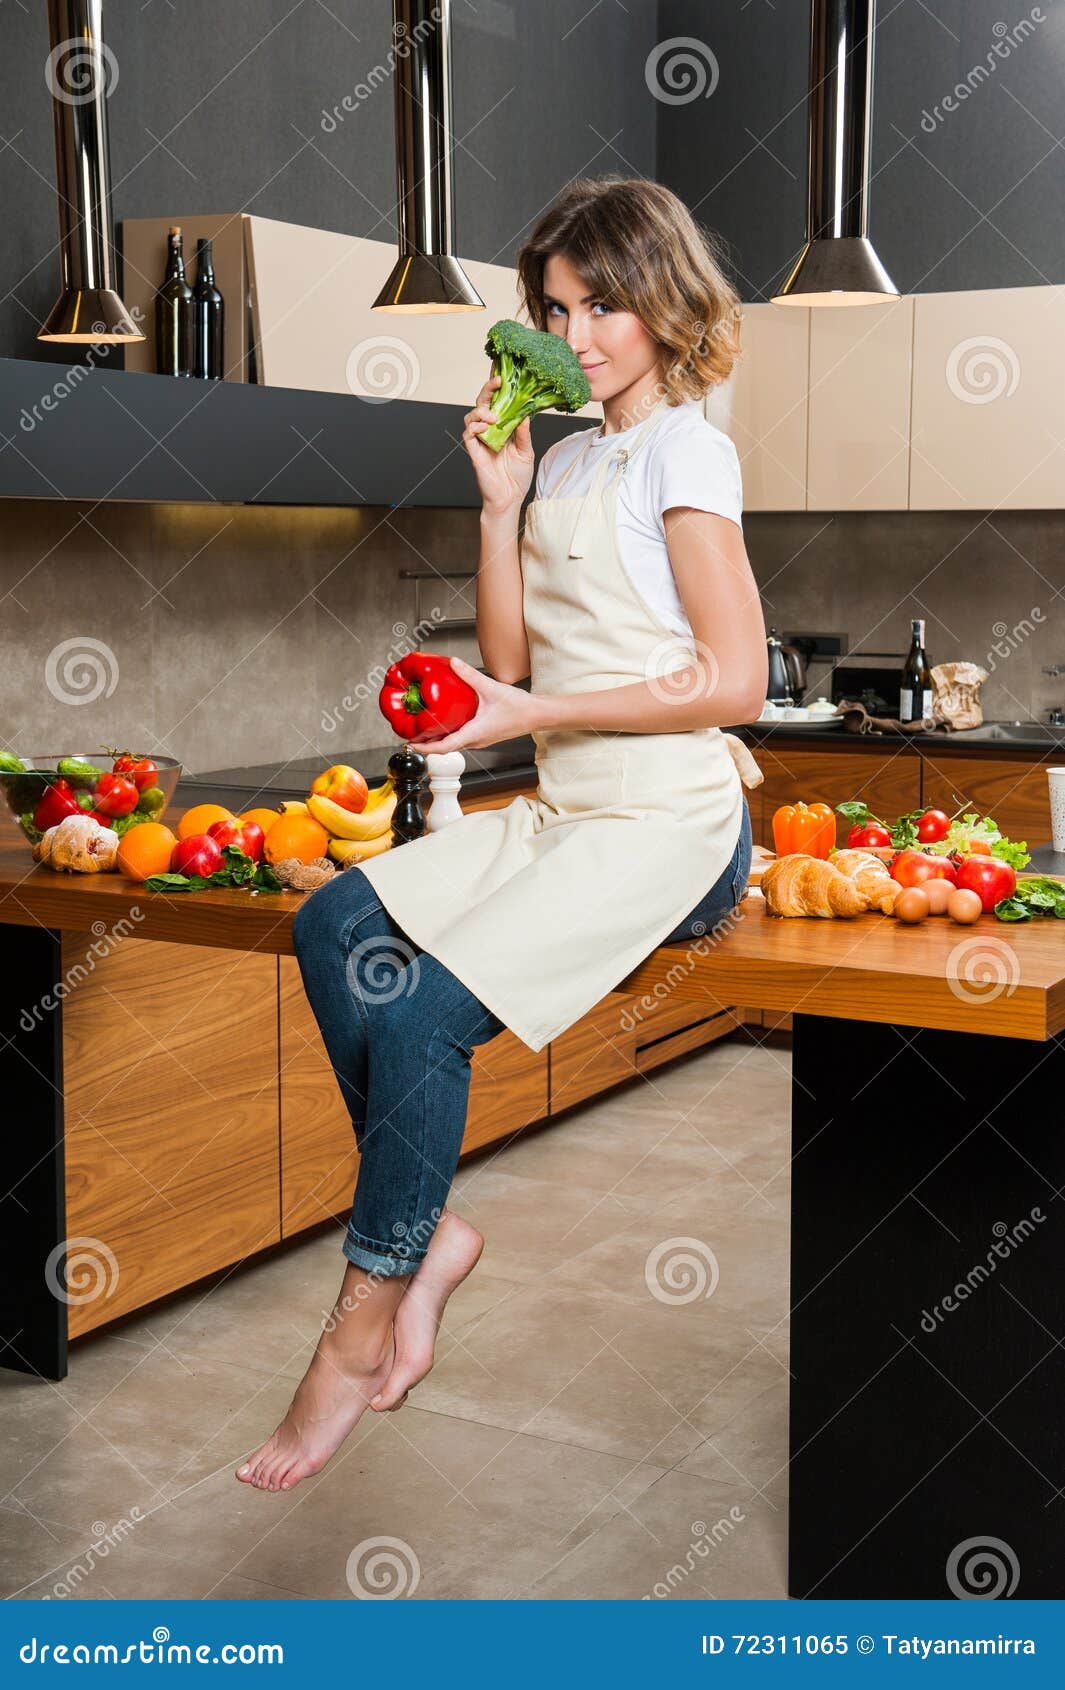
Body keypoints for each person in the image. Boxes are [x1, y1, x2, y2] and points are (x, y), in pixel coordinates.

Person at [236, 175, 767, 1493]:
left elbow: (734, 679)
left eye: (603, 306)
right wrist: (494, 504)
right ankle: (433, 1236)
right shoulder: (573, 453)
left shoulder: (688, 451)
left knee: (416, 1013)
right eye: (554, 306)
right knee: (335, 920)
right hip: (573, 806)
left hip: (672, 819)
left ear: (662, 300)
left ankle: (360, 1327)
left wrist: (536, 708)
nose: (575, 335)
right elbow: (512, 661)